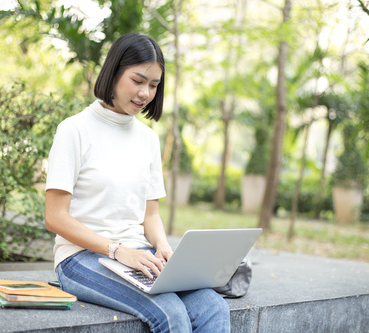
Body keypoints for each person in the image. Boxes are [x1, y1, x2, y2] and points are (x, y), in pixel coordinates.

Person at [44, 33, 231, 333]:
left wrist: (163, 246)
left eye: (154, 85)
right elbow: (55, 217)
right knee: (170, 312)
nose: (145, 92)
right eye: (138, 80)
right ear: (114, 72)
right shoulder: (74, 130)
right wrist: (118, 250)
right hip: (80, 259)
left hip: (137, 256)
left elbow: (151, 215)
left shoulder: (148, 140)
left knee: (214, 308)